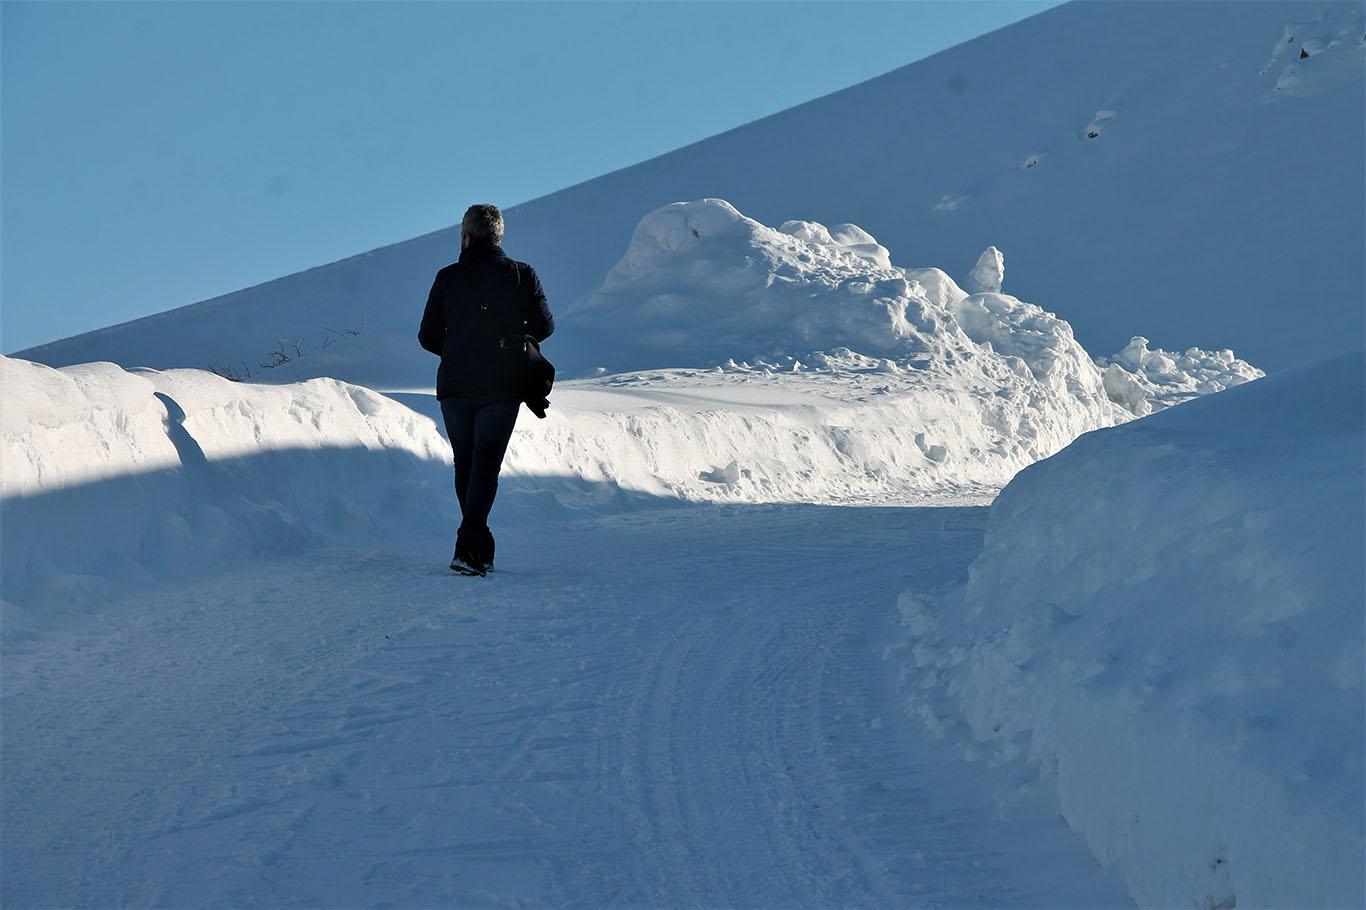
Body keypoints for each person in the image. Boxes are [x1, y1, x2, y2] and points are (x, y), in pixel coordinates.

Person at [418, 204, 554, 576]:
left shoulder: (447, 278)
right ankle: (470, 545)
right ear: (498, 236)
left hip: (455, 387)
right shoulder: (522, 275)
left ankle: (475, 547)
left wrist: (460, 348)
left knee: (466, 463)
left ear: (466, 237)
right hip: (501, 385)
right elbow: (545, 326)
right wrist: (512, 340)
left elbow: (427, 336)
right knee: (486, 465)